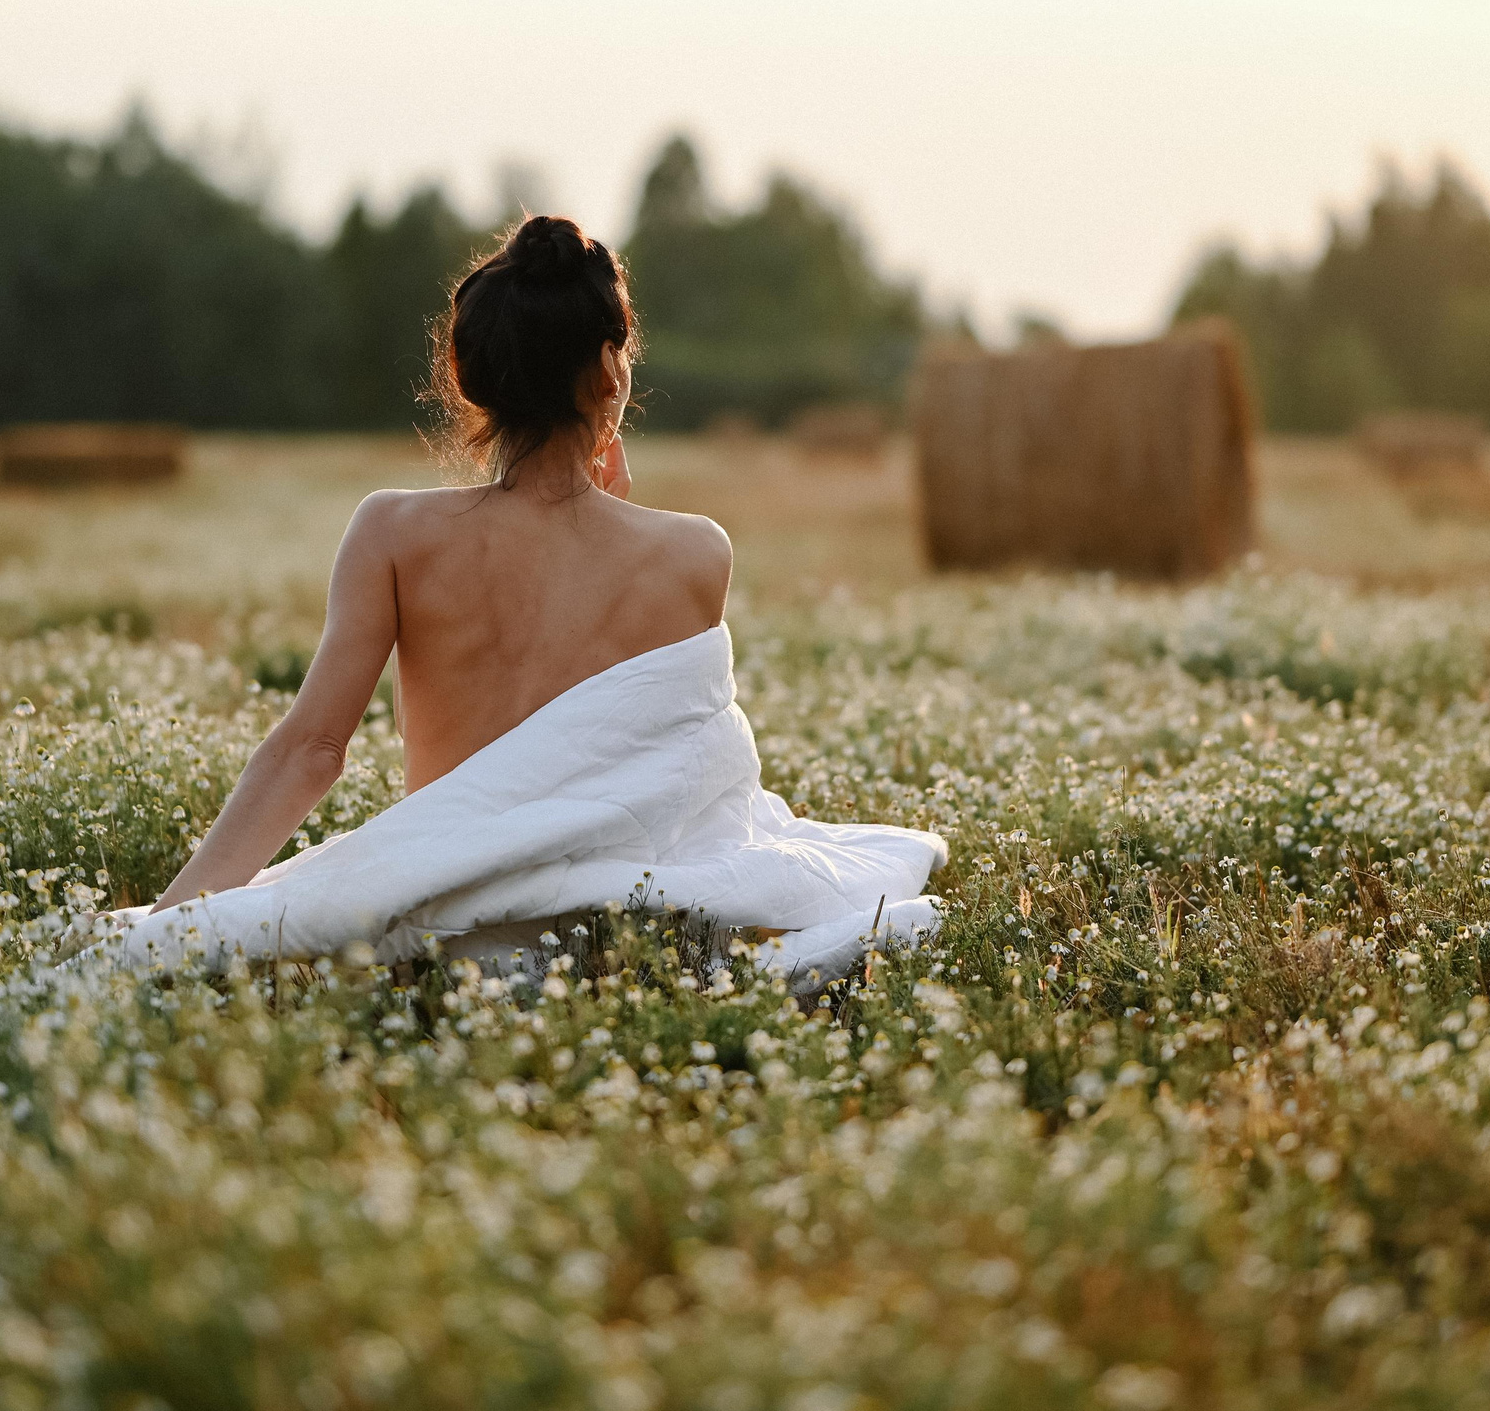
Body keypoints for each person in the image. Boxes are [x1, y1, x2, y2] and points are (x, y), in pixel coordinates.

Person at [118, 214, 942, 983]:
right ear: (611, 369)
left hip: (448, 929)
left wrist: (168, 926)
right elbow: (687, 797)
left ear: (473, 375)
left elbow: (311, 752)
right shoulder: (696, 552)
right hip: (614, 937)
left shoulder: (392, 533)